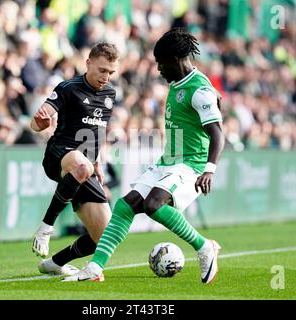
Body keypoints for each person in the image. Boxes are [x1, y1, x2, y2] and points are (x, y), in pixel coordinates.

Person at [63, 28, 225, 284]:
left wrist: (209, 169)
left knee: (153, 205)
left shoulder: (199, 90)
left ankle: (204, 247)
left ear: (175, 59)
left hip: (190, 165)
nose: (159, 70)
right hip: (168, 162)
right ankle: (95, 268)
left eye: (161, 64)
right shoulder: (180, 82)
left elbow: (217, 133)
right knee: (125, 205)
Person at [30, 42, 119, 276]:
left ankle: (55, 263)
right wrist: (41, 123)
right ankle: (46, 227)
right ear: (88, 63)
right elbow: (38, 119)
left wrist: (98, 162)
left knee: (106, 237)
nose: (106, 77)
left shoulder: (110, 95)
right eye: (102, 70)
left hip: (87, 166)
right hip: (58, 155)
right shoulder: (68, 87)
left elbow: (98, 131)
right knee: (81, 164)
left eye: (111, 72)